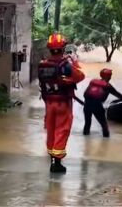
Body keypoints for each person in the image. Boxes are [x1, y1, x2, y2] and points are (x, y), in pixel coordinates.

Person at [37, 33, 85, 173]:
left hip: (49, 103)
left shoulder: (42, 64)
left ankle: (52, 159)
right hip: (63, 103)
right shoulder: (66, 64)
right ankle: (57, 163)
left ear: (49, 49)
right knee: (62, 130)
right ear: (63, 48)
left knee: (51, 130)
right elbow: (80, 76)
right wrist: (74, 62)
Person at [83, 68, 122, 137]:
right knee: (104, 125)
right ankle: (106, 140)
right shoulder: (107, 86)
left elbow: (85, 94)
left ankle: (86, 140)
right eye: (110, 75)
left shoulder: (93, 82)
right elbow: (119, 96)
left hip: (87, 104)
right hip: (97, 105)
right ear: (109, 76)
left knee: (87, 123)